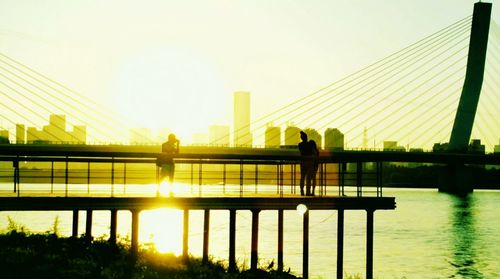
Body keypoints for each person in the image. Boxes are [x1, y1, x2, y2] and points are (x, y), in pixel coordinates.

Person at [298, 131, 317, 196]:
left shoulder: (300, 145)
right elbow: (314, 153)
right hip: (310, 162)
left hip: (303, 162)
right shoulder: (310, 144)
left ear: (301, 138)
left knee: (302, 177)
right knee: (308, 178)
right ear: (306, 137)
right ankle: (308, 192)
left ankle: (301, 191)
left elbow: (301, 153)